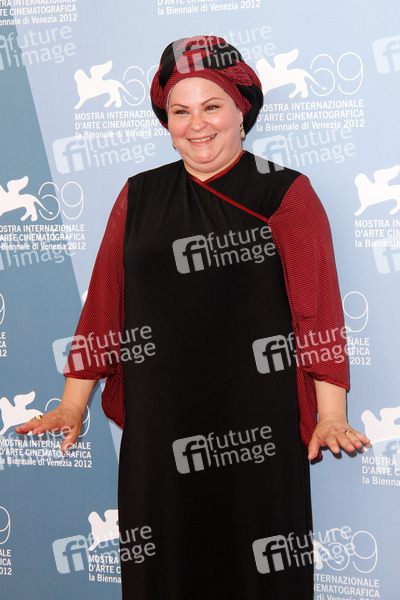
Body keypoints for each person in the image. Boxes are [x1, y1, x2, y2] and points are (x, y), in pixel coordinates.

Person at [16, 35, 369, 599]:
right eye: (180, 111)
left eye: (212, 107)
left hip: (258, 432)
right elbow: (105, 307)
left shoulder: (286, 194)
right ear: (166, 120)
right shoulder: (138, 195)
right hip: (160, 431)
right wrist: (72, 404)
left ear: (241, 110)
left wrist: (331, 415)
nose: (197, 125)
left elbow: (318, 312)